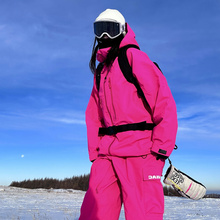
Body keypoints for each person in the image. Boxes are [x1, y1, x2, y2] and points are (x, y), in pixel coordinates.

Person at [79, 9, 178, 220]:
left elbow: (164, 102)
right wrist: (95, 153)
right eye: (100, 30)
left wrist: (160, 149)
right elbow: (93, 114)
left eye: (111, 30)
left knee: (143, 215)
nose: (104, 36)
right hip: (107, 154)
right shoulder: (101, 72)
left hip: (142, 153)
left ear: (122, 31)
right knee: (93, 213)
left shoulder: (135, 58)